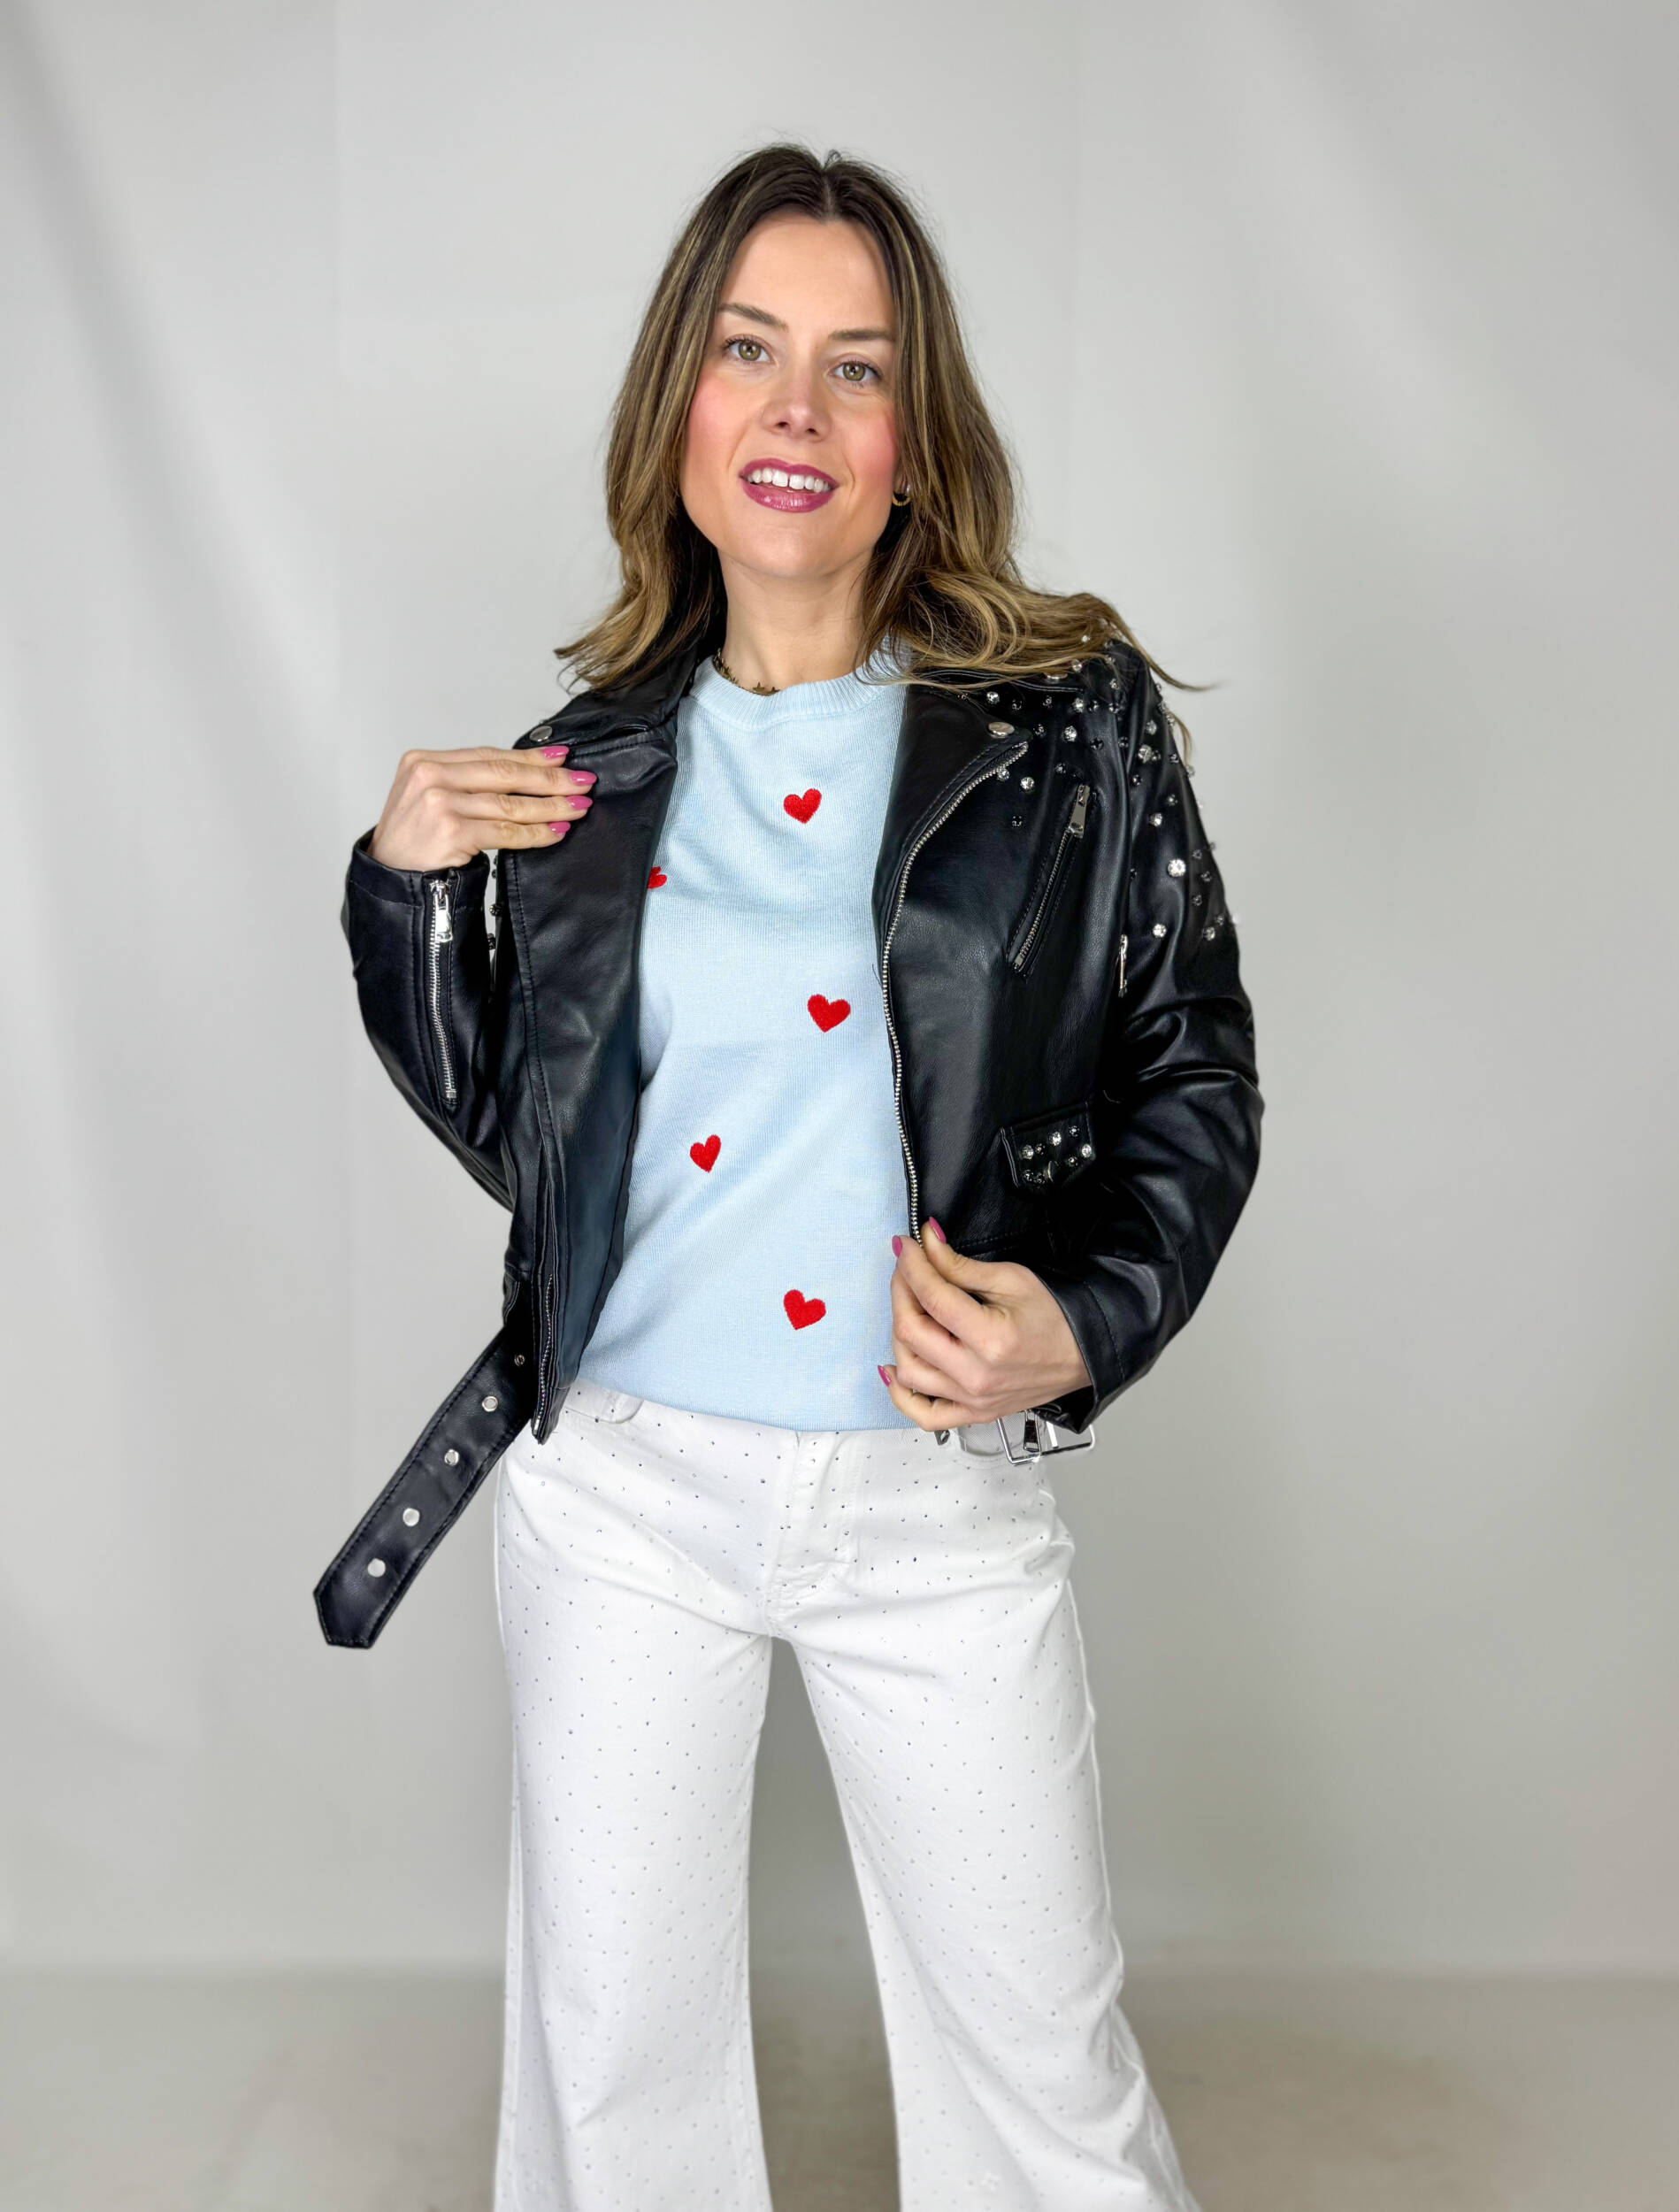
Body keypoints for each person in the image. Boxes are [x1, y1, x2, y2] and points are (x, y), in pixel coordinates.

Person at [318, 142, 1261, 2212]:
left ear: (916, 436)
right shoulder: (585, 770)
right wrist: (404, 896)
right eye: (749, 351)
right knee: (618, 2071)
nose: (798, 412)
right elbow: (542, 1141)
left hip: (929, 1489)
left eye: (858, 366)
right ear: (679, 400)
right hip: (625, 1487)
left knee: (1046, 2075)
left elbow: (1193, 1061)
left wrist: (1081, 1319)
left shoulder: (1061, 723)